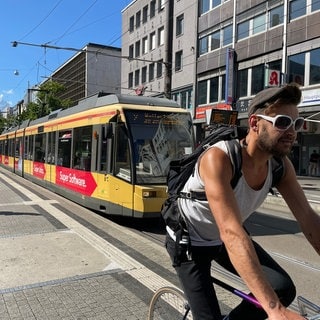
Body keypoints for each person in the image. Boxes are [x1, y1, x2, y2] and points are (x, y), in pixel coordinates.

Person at [165, 83, 320, 320]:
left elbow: (308, 220)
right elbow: (231, 232)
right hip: (190, 242)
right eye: (282, 122)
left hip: (221, 240)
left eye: (296, 124)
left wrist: (275, 304)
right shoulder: (219, 159)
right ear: (255, 124)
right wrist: (275, 310)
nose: (292, 131)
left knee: (282, 289)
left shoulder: (279, 166)